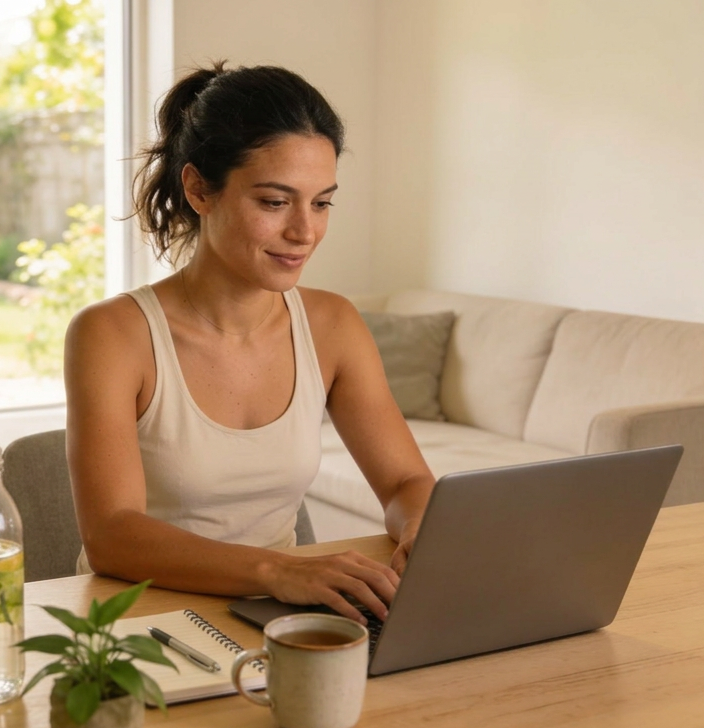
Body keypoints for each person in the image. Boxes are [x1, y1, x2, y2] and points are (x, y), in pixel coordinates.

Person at [64, 62, 434, 624]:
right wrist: (277, 570)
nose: (304, 232)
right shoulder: (112, 335)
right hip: (139, 620)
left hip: (280, 617)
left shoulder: (332, 325)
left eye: (322, 202)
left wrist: (420, 531)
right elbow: (113, 534)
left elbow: (407, 481)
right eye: (273, 202)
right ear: (198, 189)